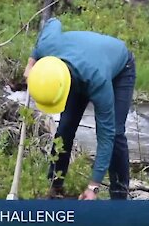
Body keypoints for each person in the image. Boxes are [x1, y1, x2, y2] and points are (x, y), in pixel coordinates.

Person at [24, 18, 136, 200]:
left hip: (119, 67)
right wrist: (31, 63)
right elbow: (53, 22)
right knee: (65, 127)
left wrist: (93, 186)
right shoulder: (48, 47)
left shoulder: (98, 81)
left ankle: (119, 198)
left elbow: (105, 136)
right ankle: (55, 186)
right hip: (79, 64)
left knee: (114, 133)